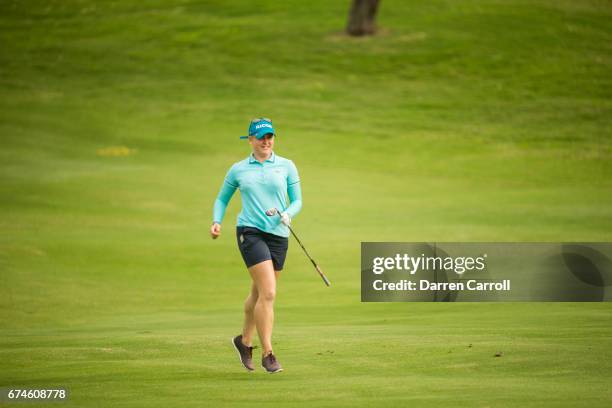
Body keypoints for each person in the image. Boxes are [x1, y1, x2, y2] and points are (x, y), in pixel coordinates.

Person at [210, 118, 302, 374]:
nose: (266, 141)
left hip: (279, 235)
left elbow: (297, 201)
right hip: (250, 232)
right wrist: (217, 221)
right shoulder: (239, 169)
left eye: (270, 137)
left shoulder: (286, 166)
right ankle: (269, 353)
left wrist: (288, 213)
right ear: (250, 139)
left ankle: (244, 341)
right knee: (269, 293)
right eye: (260, 137)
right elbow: (222, 198)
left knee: (258, 294)